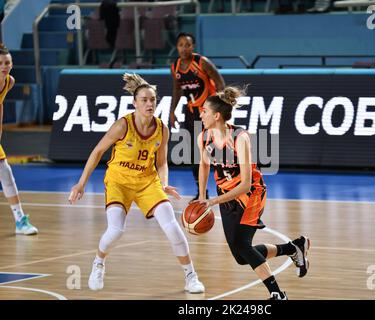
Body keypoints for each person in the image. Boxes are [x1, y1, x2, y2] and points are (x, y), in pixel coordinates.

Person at [68, 73, 205, 293]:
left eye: (153, 99)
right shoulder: (123, 125)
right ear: (135, 103)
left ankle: (191, 276)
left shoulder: (162, 129)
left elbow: (161, 163)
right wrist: (81, 183)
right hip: (118, 182)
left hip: (147, 182)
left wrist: (163, 183)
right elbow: (97, 151)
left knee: (172, 228)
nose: (150, 103)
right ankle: (98, 263)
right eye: (145, 100)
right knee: (116, 230)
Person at [196, 86, 310, 300]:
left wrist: (213, 201)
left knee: (242, 245)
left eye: (204, 111)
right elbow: (204, 165)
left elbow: (246, 184)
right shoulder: (203, 137)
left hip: (251, 195)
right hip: (226, 194)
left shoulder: (239, 138)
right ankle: (293, 248)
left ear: (217, 115)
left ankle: (277, 295)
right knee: (241, 256)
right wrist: (202, 195)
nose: (200, 114)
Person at [169, 32, 225, 202]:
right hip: (191, 112)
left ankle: (226, 188)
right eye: (180, 45)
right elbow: (177, 89)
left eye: (187, 45)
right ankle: (202, 191)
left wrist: (220, 106)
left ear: (193, 46)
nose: (184, 48)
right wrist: (172, 111)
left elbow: (220, 81)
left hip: (208, 112)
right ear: (177, 47)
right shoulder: (175, 67)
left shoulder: (202, 62)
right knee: (193, 154)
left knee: (216, 152)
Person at [0, 43, 38, 235]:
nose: (4, 66)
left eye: (7, 62)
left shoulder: (9, 82)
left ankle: (20, 220)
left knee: (5, 173)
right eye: (0, 63)